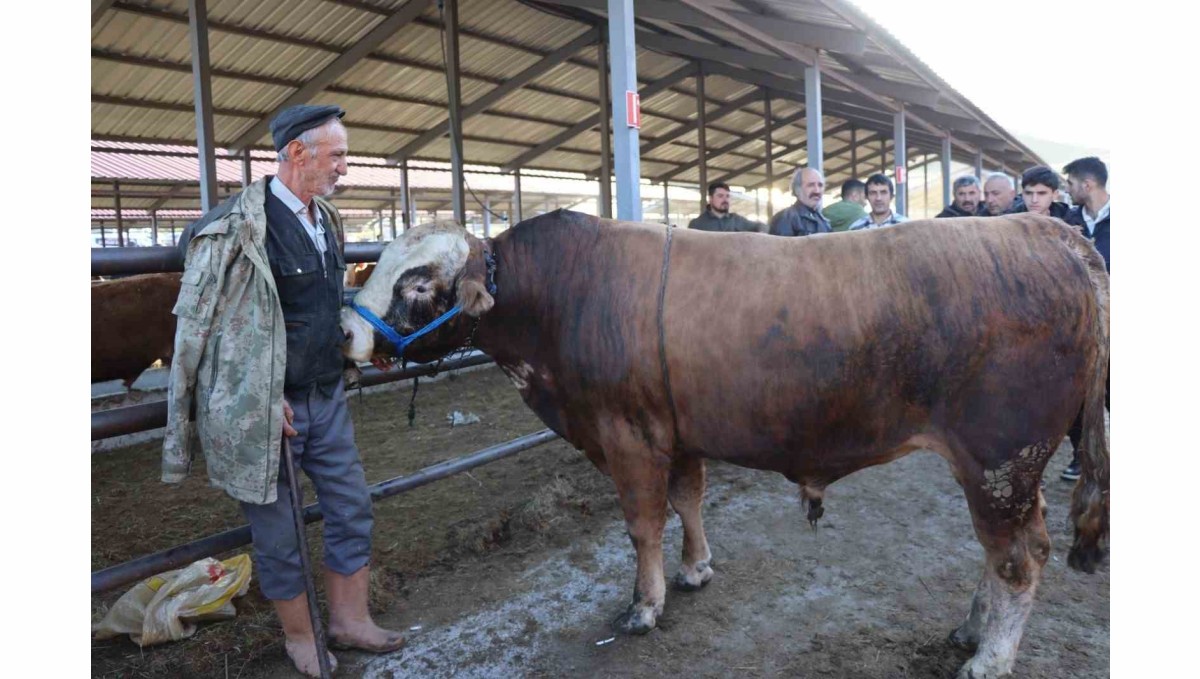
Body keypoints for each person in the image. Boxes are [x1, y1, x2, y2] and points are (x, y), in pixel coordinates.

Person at [163, 105, 404, 677]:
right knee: (280, 529)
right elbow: (206, 330)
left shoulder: (328, 219)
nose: (345, 168)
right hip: (270, 411)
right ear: (298, 153)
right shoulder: (235, 228)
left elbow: (322, 304)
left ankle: (349, 621)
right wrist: (259, 398)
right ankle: (302, 639)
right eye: (338, 155)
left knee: (350, 507)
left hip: (326, 396)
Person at [1060, 156, 1111, 481]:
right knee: (1079, 395)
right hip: (1081, 327)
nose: (1069, 189)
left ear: (1087, 184)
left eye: (1071, 184)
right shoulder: (1068, 219)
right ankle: (1083, 458)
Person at [768, 167, 832, 236]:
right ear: (797, 189)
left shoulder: (824, 222)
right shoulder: (785, 218)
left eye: (820, 185)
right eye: (810, 185)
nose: (817, 191)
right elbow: (782, 246)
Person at [687, 181, 768, 232]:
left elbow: (762, 226)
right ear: (710, 199)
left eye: (727, 196)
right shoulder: (697, 224)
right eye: (720, 196)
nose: (725, 200)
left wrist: (761, 233)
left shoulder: (736, 220)